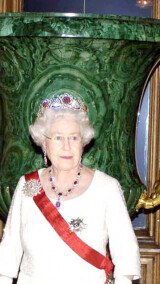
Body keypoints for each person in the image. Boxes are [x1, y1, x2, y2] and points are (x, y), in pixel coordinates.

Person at [0, 93, 141, 284]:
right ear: (44, 143)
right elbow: (8, 254)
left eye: (74, 138)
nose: (66, 147)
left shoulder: (107, 188)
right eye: (58, 138)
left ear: (83, 142)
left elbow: (126, 254)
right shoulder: (27, 187)